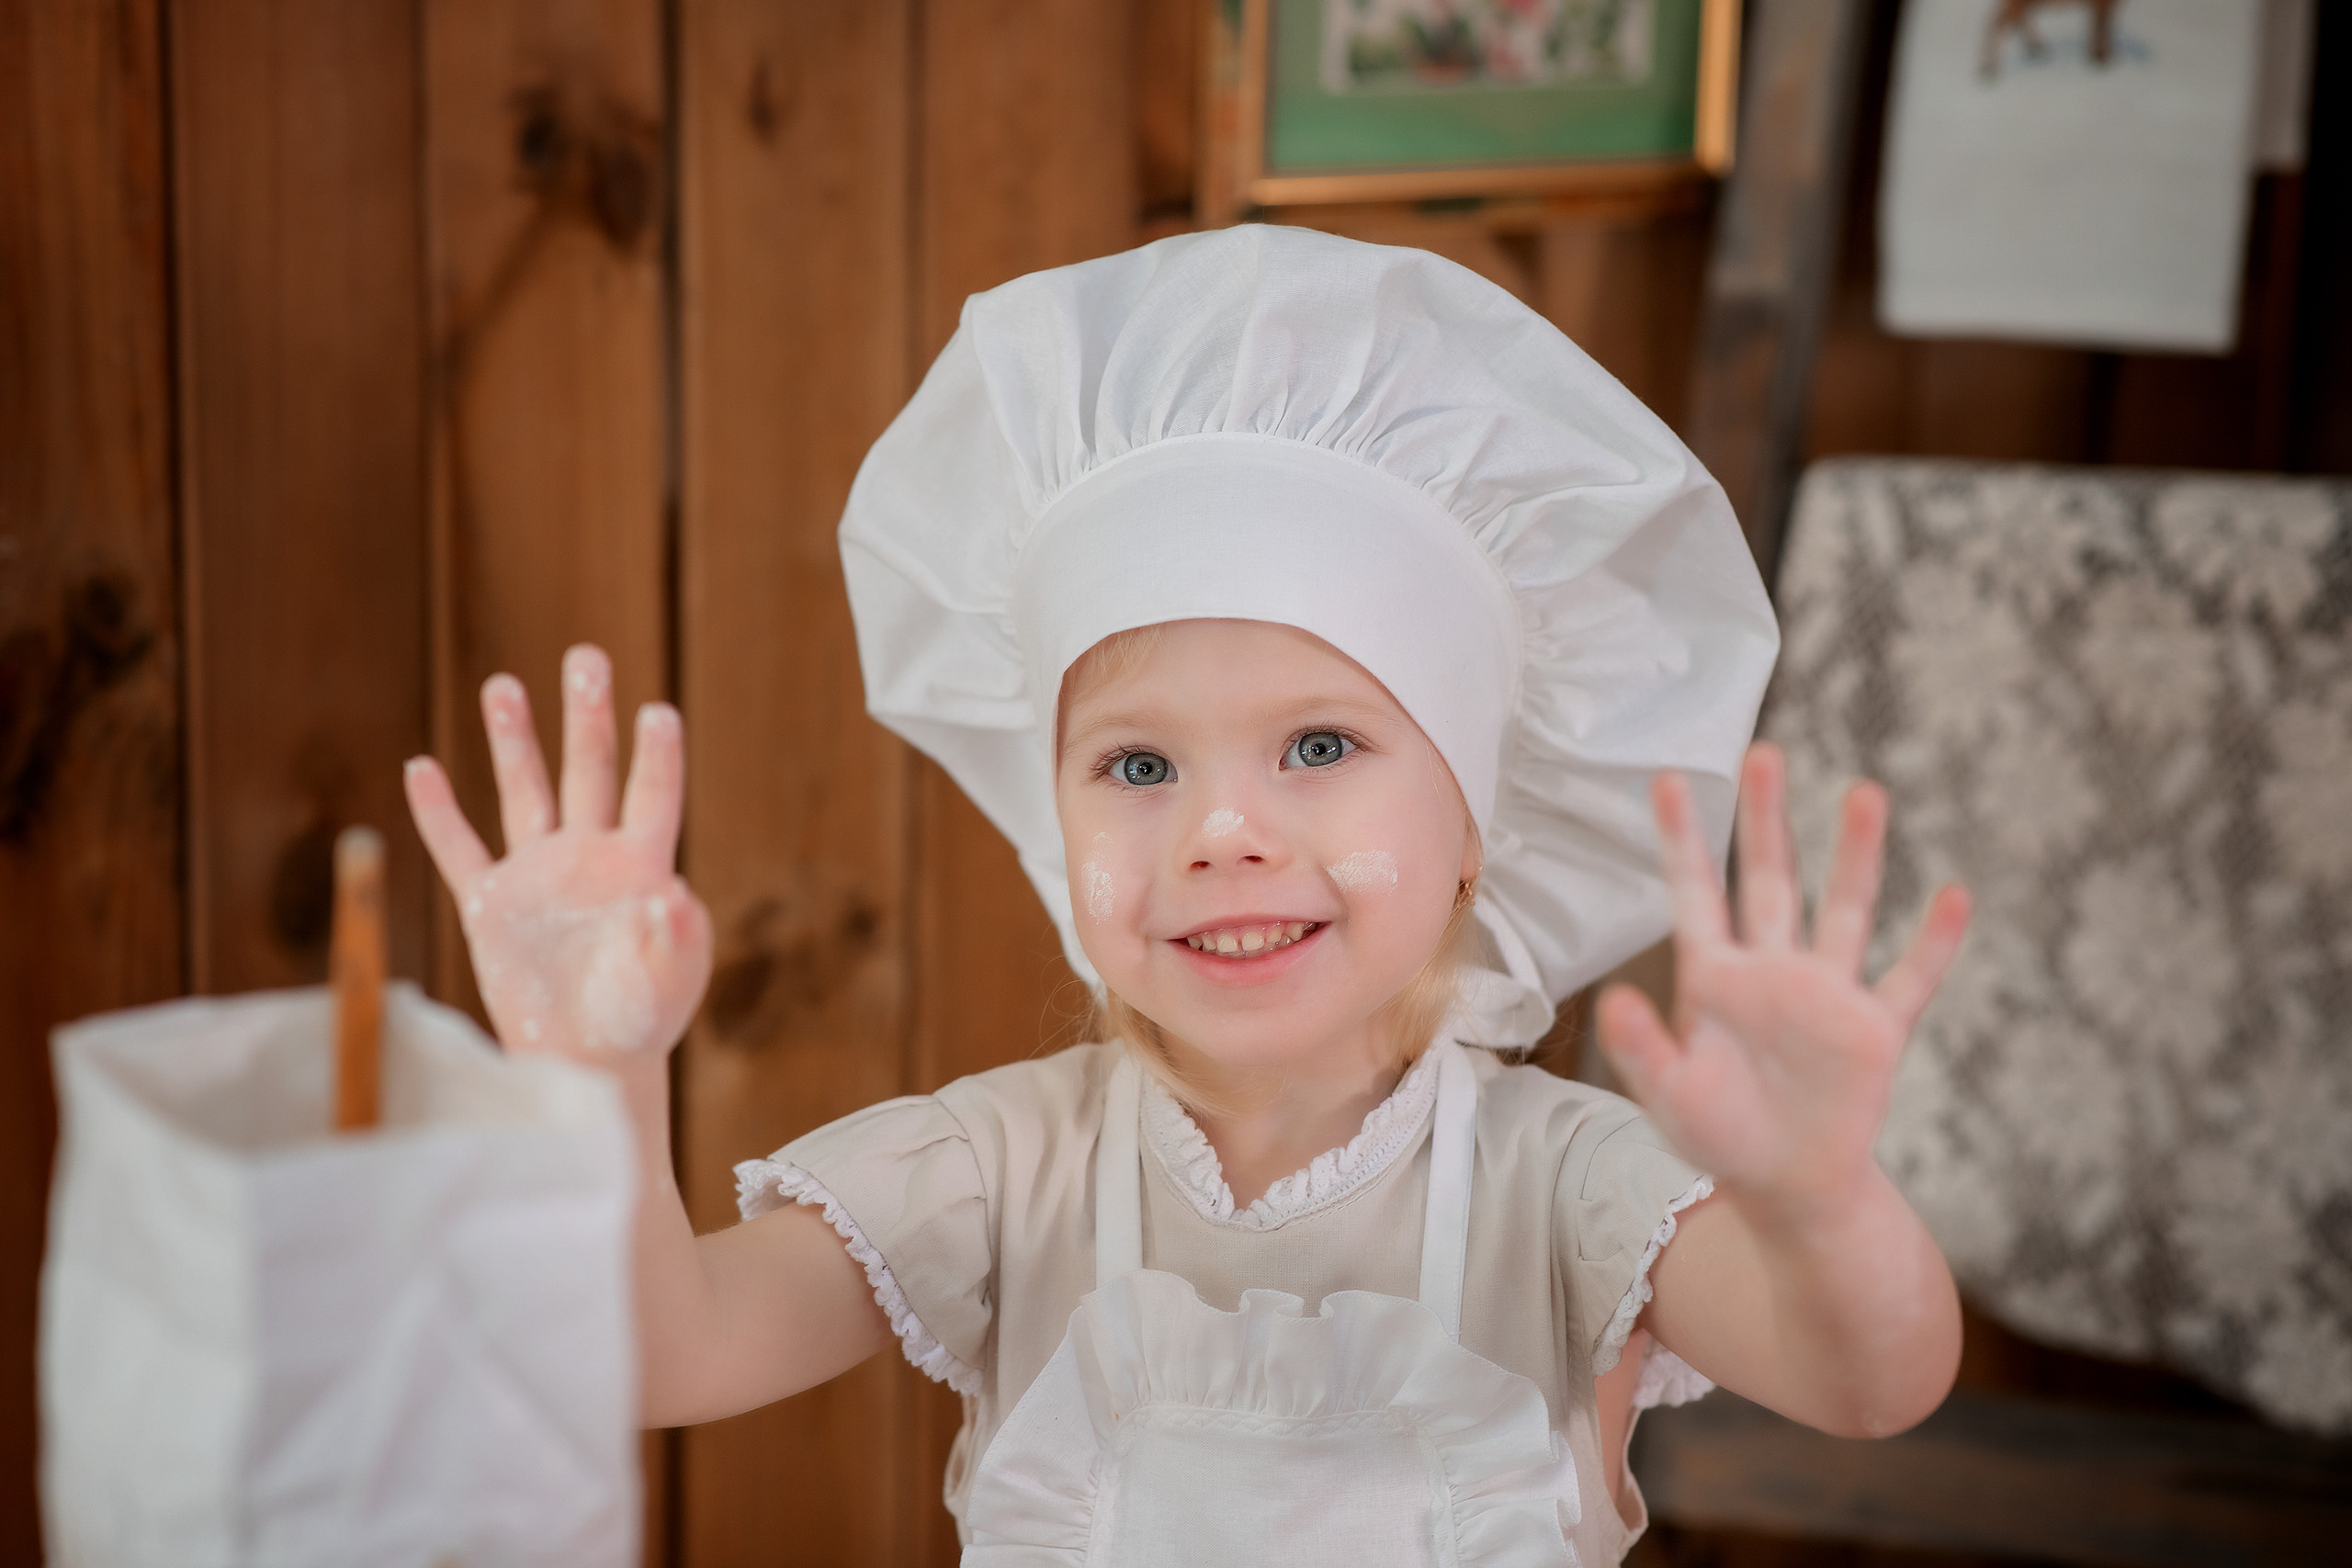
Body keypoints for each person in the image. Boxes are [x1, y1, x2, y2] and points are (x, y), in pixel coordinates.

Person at [402, 226, 1971, 1564]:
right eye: (1139, 768)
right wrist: (591, 1074)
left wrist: (1820, 1198)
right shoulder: (1003, 1173)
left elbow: (1874, 1385)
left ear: (1480, 820)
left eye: (1319, 745)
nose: (1223, 829)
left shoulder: (1557, 1186)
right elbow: (656, 1355)